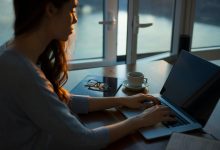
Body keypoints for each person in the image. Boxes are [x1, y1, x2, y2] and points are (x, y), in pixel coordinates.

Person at [0, 0, 175, 149]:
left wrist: (121, 101)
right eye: (72, 9)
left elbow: (58, 100)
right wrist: (140, 121)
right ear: (50, 9)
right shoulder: (24, 74)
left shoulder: (10, 53)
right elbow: (85, 141)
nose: (75, 18)